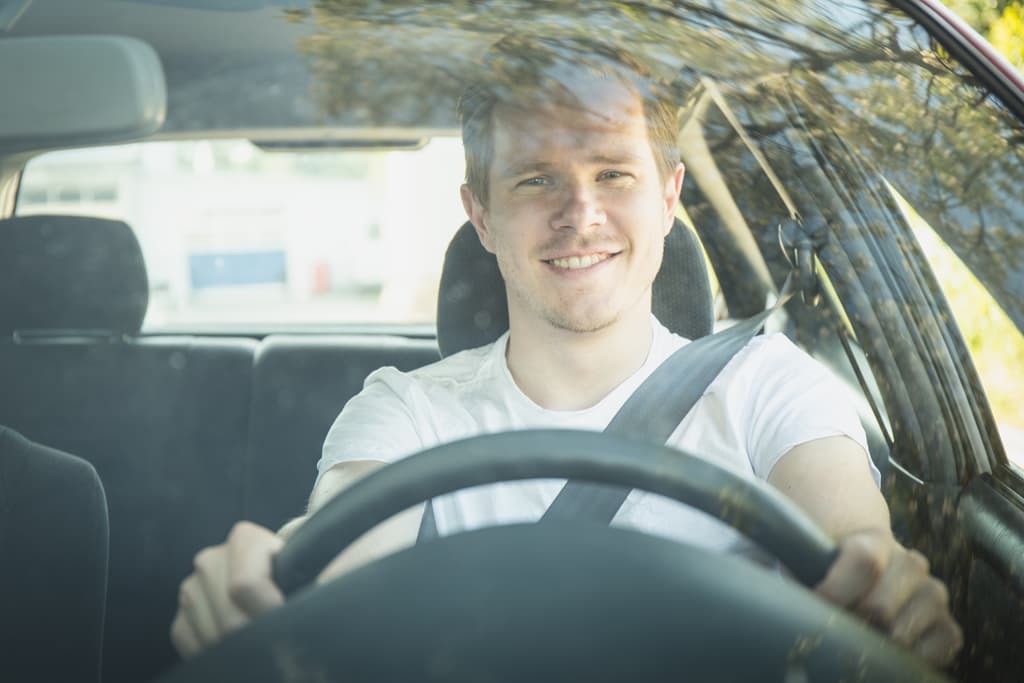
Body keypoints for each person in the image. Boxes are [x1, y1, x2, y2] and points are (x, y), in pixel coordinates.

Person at [170, 36, 962, 667]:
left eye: (612, 172)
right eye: (536, 182)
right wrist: (266, 591)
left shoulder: (769, 386)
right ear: (479, 216)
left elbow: (855, 545)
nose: (580, 215)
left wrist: (881, 590)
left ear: (668, 195)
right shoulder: (404, 409)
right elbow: (336, 553)